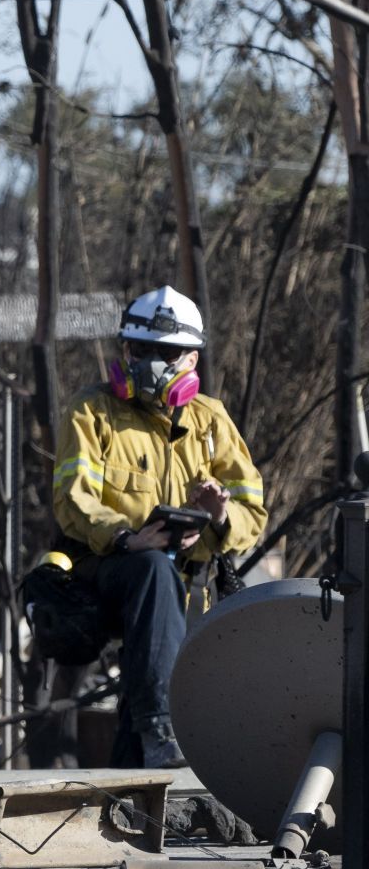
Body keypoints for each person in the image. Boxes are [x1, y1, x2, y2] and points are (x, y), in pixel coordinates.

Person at [51, 285, 266, 767]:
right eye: (139, 350)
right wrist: (128, 538)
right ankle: (161, 726)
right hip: (107, 571)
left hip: (185, 587)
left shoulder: (212, 422)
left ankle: (137, 784)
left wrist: (218, 518)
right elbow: (72, 500)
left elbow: (253, 510)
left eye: (165, 353)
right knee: (150, 568)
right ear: (124, 350)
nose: (150, 362)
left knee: (141, 745)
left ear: (191, 359)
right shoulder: (92, 411)